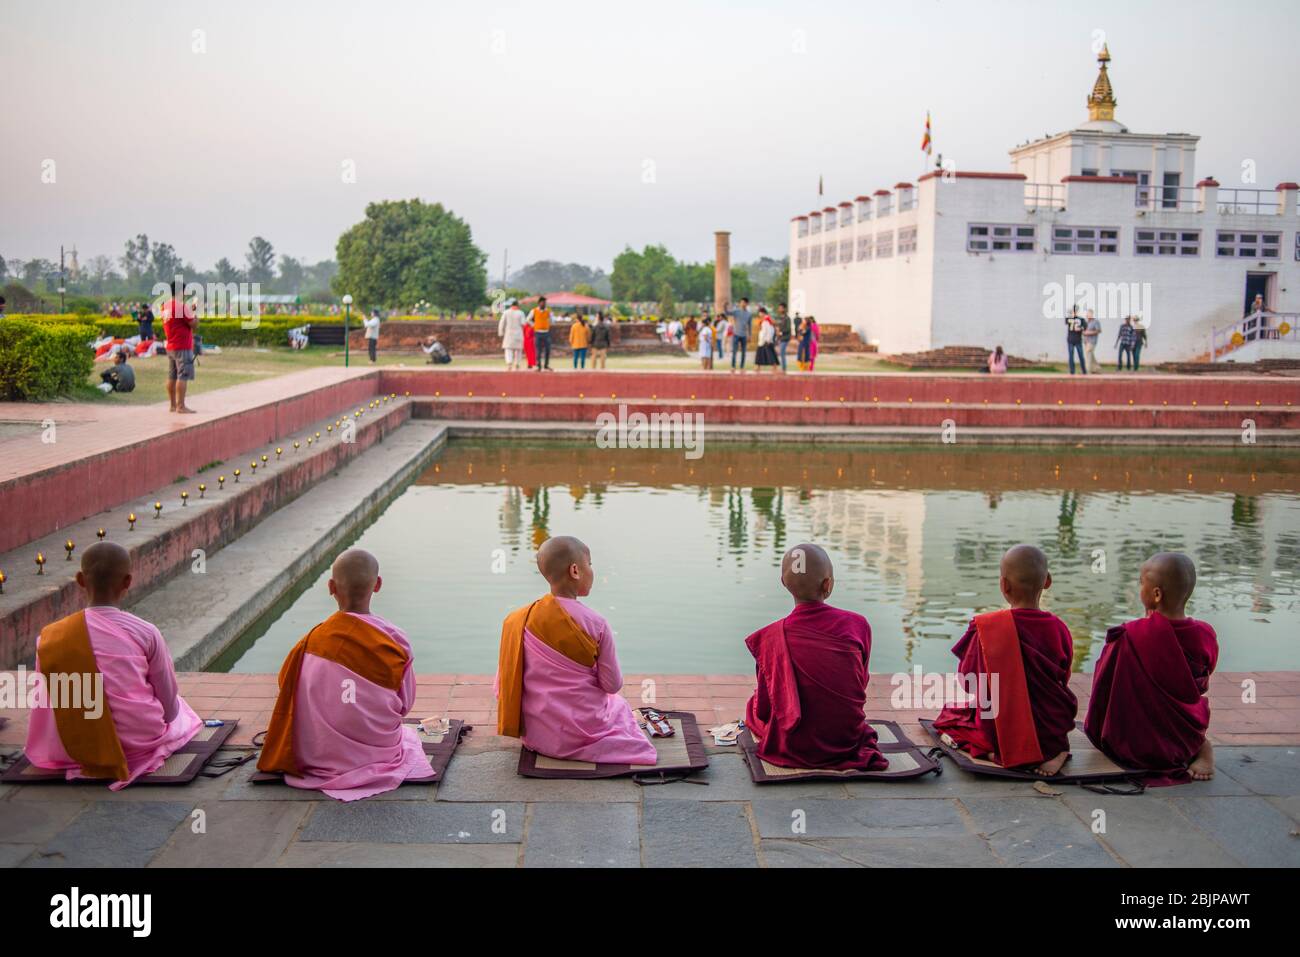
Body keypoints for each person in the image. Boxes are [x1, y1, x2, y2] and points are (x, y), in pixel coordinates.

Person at [257, 549, 436, 800]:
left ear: (331, 587)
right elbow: (405, 705)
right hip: (379, 753)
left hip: (317, 755)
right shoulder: (394, 641)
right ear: (378, 585)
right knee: (407, 735)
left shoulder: (309, 643)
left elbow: (286, 688)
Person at [24, 542, 203, 790]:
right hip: (138, 743)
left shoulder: (50, 637)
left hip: (74, 746)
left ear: (80, 580)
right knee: (183, 712)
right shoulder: (146, 632)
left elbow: (46, 703)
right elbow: (169, 708)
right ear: (128, 582)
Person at [495, 535, 655, 764]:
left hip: (536, 735)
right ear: (575, 571)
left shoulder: (518, 619)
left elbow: (503, 686)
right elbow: (612, 685)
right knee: (618, 705)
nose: (592, 570)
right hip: (583, 732)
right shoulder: (597, 624)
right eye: (590, 564)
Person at [932, 544, 1078, 776]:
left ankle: (996, 754)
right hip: (1049, 730)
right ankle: (1057, 752)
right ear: (1047, 581)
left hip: (1002, 731)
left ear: (1004, 585)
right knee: (1043, 719)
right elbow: (1063, 676)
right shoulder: (1059, 628)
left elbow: (970, 681)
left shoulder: (988, 627)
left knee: (953, 720)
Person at [744, 544, 889, 771]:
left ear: (783, 583)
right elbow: (860, 683)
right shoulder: (857, 625)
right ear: (828, 584)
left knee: (753, 705)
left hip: (795, 744)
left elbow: (764, 707)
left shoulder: (771, 637)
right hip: (846, 738)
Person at [1084, 552, 1218, 784]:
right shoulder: (1205, 633)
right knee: (1192, 715)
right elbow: (1202, 681)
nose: (1139, 587)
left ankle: (1198, 746)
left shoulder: (1129, 635)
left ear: (1156, 594)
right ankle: (1199, 745)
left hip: (1134, 741)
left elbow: (1104, 683)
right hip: (1183, 733)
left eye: (1141, 582)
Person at [161, 280, 197, 413]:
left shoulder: (165, 306)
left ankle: (173, 405)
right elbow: (193, 324)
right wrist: (195, 312)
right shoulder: (181, 306)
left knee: (172, 376)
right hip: (182, 346)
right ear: (180, 292)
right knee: (183, 375)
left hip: (171, 345)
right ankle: (181, 406)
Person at [498, 299, 526, 370]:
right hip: (518, 333)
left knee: (508, 349)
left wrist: (500, 332)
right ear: (517, 306)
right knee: (518, 350)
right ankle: (517, 364)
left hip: (509, 333)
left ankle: (509, 363)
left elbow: (502, 323)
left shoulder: (506, 312)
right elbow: (523, 323)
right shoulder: (521, 313)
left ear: (511, 306)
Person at [528, 296, 553, 371]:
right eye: (542, 303)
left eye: (545, 303)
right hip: (538, 333)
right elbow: (528, 319)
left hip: (546, 332)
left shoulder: (548, 311)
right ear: (539, 303)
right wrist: (534, 325)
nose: (544, 304)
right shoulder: (534, 311)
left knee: (548, 349)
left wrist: (547, 325)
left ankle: (546, 365)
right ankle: (538, 365)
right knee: (538, 350)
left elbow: (551, 320)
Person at [729, 297, 751, 371]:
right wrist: (725, 306)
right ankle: (733, 366)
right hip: (736, 334)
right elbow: (727, 313)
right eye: (741, 302)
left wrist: (749, 335)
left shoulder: (749, 314)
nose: (742, 304)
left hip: (744, 335)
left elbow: (749, 325)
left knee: (743, 352)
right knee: (734, 351)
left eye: (744, 302)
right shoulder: (736, 311)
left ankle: (742, 367)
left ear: (747, 304)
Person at [754, 307, 779, 372]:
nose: (759, 314)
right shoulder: (765, 320)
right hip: (763, 340)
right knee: (760, 354)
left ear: (763, 313)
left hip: (765, 340)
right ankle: (758, 367)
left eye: (760, 313)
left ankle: (774, 367)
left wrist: (768, 339)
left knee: (770, 355)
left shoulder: (766, 320)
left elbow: (770, 331)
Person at [1065, 307, 1087, 375]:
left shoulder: (1080, 319)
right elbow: (1067, 321)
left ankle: (1084, 371)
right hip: (1071, 340)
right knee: (1071, 356)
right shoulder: (1071, 318)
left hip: (1078, 340)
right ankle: (1072, 371)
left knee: (1081, 356)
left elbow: (1085, 327)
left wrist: (1080, 328)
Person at [775, 302, 794, 372]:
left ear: (784, 309)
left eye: (781, 308)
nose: (779, 309)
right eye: (779, 308)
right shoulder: (779, 318)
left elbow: (788, 329)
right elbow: (777, 326)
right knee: (779, 352)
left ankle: (784, 368)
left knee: (782, 352)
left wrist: (780, 332)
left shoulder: (787, 318)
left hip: (785, 338)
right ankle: (780, 367)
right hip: (780, 338)